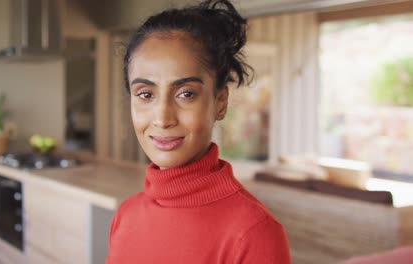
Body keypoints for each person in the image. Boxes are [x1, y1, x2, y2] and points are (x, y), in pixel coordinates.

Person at [106, 0, 291, 263]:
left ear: (220, 102)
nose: (162, 118)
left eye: (186, 94)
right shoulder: (124, 216)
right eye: (146, 94)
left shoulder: (254, 233)